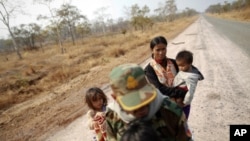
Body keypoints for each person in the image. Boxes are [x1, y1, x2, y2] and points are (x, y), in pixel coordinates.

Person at [106, 63, 193, 141]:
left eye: (144, 99)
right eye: (133, 102)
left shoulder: (170, 110)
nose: (141, 108)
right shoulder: (112, 117)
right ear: (115, 98)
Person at [144, 36, 186, 101]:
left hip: (180, 100)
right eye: (158, 50)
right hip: (163, 103)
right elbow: (158, 89)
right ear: (152, 50)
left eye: (163, 49)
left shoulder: (174, 63)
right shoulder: (149, 69)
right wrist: (179, 92)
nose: (161, 52)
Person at [172, 50, 204, 119]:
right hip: (177, 94)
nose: (180, 68)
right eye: (179, 65)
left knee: (182, 117)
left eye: (183, 65)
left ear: (190, 64)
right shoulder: (186, 70)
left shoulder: (191, 76)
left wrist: (185, 102)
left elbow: (190, 92)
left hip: (182, 99)